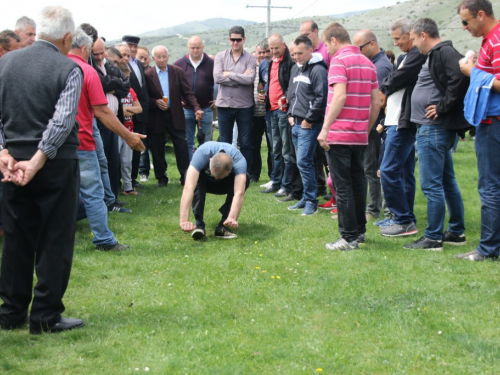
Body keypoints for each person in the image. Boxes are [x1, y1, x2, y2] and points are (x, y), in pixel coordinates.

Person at [0, 6, 84, 334]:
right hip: (54, 163)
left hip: (12, 162)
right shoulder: (68, 68)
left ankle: (11, 312)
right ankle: (46, 315)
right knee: (55, 237)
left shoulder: (5, 63)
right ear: (66, 38)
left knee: (17, 237)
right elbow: (62, 120)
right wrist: (38, 159)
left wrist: (4, 151)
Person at [68, 28, 145, 251]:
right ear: (85, 48)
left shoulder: (54, 68)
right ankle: (103, 239)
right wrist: (128, 136)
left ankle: (54, 237)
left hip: (54, 144)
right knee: (93, 193)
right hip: (82, 140)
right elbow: (102, 112)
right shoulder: (87, 71)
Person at [400, 18, 469, 251]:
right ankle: (457, 232)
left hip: (433, 130)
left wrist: (442, 107)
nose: (412, 42)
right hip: (433, 130)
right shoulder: (436, 54)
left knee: (432, 185)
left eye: (413, 37)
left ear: (423, 35)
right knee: (447, 181)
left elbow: (460, 77)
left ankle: (433, 238)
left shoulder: (443, 51)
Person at [317, 22, 380, 251]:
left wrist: (325, 128)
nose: (327, 50)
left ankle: (348, 237)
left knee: (343, 186)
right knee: (358, 182)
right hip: (359, 135)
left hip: (339, 135)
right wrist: (366, 128)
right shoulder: (368, 63)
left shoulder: (339, 61)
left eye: (326, 44)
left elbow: (339, 96)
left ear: (334, 40)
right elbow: (376, 102)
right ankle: (360, 232)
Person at [455, 0, 500, 261]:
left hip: (493, 124)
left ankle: (489, 249)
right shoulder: (489, 40)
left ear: (481, 15)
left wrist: (473, 72)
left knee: (490, 187)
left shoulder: (496, 40)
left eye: (466, 21)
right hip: (489, 123)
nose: (464, 27)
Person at [378, 19, 427, 237]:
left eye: (398, 38)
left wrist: (384, 88)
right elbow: (393, 76)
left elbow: (398, 77)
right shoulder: (403, 57)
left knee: (388, 170)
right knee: (405, 172)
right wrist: (388, 84)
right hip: (395, 119)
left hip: (403, 121)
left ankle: (404, 219)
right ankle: (404, 217)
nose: (396, 43)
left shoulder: (417, 54)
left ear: (411, 35)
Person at [145, 45, 203, 187]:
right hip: (156, 116)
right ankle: (161, 178)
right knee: (158, 148)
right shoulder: (148, 74)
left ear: (168, 57)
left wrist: (196, 107)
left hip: (175, 114)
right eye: (158, 57)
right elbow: (144, 97)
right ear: (153, 58)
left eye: (164, 56)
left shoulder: (176, 71)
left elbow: (187, 92)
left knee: (182, 147)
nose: (161, 59)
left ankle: (184, 176)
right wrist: (155, 102)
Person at [353, 29, 394, 221]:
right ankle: (374, 207)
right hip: (370, 124)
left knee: (372, 168)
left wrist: (368, 126)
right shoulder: (373, 63)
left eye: (359, 48)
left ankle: (373, 209)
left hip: (375, 125)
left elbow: (378, 100)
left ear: (372, 44)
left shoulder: (381, 67)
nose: (357, 51)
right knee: (368, 168)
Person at [286, 35, 328, 216]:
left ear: (311, 51)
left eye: (300, 53)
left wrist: (308, 120)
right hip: (295, 122)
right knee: (303, 162)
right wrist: (289, 113)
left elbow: (322, 97)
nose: (296, 57)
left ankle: (311, 201)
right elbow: (292, 94)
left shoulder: (318, 70)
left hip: (308, 125)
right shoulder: (296, 68)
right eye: (294, 53)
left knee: (304, 161)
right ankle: (306, 196)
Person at [179, 141, 249, 240]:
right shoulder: (202, 153)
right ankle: (199, 226)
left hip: (225, 185)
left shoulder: (239, 160)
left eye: (220, 176)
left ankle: (224, 225)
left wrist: (232, 217)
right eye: (214, 175)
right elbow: (188, 188)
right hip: (204, 183)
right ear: (210, 160)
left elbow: (239, 193)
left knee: (245, 178)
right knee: (193, 177)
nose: (216, 178)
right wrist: (183, 220)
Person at [213, 26, 256, 166]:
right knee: (225, 141)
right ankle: (226, 170)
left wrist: (230, 74)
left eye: (238, 40)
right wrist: (240, 78)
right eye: (233, 39)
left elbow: (249, 80)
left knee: (245, 142)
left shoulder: (250, 58)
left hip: (244, 106)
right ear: (229, 39)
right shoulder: (220, 56)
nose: (235, 42)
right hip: (224, 105)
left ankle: (245, 171)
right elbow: (218, 78)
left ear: (244, 39)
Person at [259, 33, 295, 198]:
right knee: (275, 149)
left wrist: (286, 98)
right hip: (271, 110)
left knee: (286, 150)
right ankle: (276, 180)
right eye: (271, 48)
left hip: (283, 111)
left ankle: (286, 185)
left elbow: (292, 85)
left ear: (284, 45)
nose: (273, 51)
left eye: (276, 48)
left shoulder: (290, 62)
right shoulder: (269, 63)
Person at [174, 36, 215, 160]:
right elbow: (173, 85)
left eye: (198, 47)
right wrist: (177, 99)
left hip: (206, 108)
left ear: (203, 47)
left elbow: (220, 82)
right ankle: (192, 169)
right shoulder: (178, 64)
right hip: (186, 109)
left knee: (207, 142)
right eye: (192, 48)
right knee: (188, 141)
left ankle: (206, 168)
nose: (195, 50)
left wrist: (218, 99)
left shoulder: (212, 64)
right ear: (188, 48)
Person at [122, 35, 149, 189]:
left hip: (139, 112)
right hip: (127, 112)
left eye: (135, 46)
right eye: (130, 46)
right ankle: (125, 181)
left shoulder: (138, 64)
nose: (132, 49)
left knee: (137, 146)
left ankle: (133, 178)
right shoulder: (122, 64)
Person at [117, 61, 143, 195]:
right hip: (116, 131)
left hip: (129, 130)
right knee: (115, 161)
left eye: (128, 78)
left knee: (127, 161)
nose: (126, 81)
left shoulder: (130, 90)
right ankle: (115, 186)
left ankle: (128, 187)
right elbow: (114, 113)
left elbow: (139, 109)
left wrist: (125, 110)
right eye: (124, 78)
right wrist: (126, 111)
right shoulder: (115, 92)